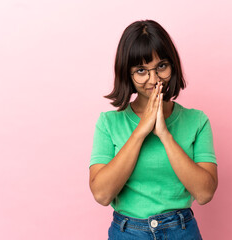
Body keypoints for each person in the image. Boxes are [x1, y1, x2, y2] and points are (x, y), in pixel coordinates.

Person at [89, 19, 218, 240]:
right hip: (127, 232)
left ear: (172, 65)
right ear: (127, 74)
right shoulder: (108, 123)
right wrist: (141, 131)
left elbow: (205, 193)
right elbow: (102, 194)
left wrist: (165, 135)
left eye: (161, 66)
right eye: (141, 70)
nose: (154, 79)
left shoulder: (197, 121)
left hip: (181, 231)